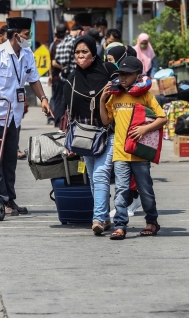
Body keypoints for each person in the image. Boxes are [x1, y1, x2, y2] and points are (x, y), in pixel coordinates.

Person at [0, 17, 53, 215]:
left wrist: (43, 99)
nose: (29, 38)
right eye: (27, 35)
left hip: (14, 115)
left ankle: (10, 200)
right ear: (16, 35)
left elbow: (34, 79)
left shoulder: (27, 54)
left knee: (10, 159)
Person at [100, 56, 167, 240]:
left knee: (145, 189)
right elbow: (106, 120)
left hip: (139, 153)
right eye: (120, 74)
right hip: (120, 152)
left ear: (137, 76)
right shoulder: (115, 95)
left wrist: (145, 128)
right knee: (121, 190)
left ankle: (151, 222)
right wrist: (102, 100)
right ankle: (120, 226)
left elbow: (162, 118)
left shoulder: (145, 95)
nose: (122, 78)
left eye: (127, 75)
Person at [63, 35, 117, 235]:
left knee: (100, 174)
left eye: (84, 52)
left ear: (94, 54)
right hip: (85, 136)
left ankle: (97, 219)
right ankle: (104, 218)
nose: (80, 56)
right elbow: (69, 113)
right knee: (94, 179)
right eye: (77, 52)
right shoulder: (72, 79)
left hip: (108, 132)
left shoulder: (109, 72)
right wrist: (68, 142)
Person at [49, 23, 67, 127]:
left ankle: (56, 120)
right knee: (60, 100)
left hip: (55, 76)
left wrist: (50, 75)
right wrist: (64, 68)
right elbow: (54, 62)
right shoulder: (61, 45)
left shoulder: (53, 44)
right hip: (60, 77)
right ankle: (58, 121)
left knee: (56, 98)